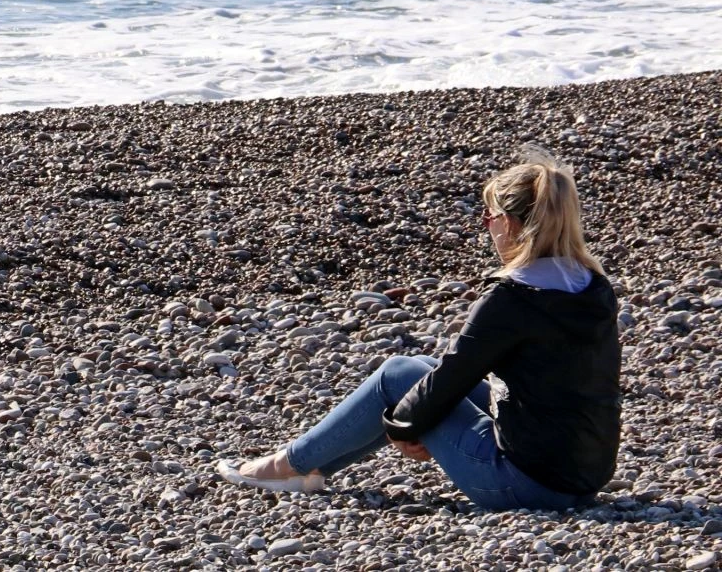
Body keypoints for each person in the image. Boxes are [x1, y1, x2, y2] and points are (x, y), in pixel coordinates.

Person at [217, 148, 621, 510]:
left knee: (399, 374)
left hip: (525, 485)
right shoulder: (593, 287)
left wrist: (403, 427)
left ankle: (284, 465)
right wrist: (413, 418)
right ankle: (310, 472)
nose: (486, 224)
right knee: (420, 368)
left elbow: (455, 373)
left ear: (513, 225)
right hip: (584, 478)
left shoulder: (514, 298)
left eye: (491, 216)